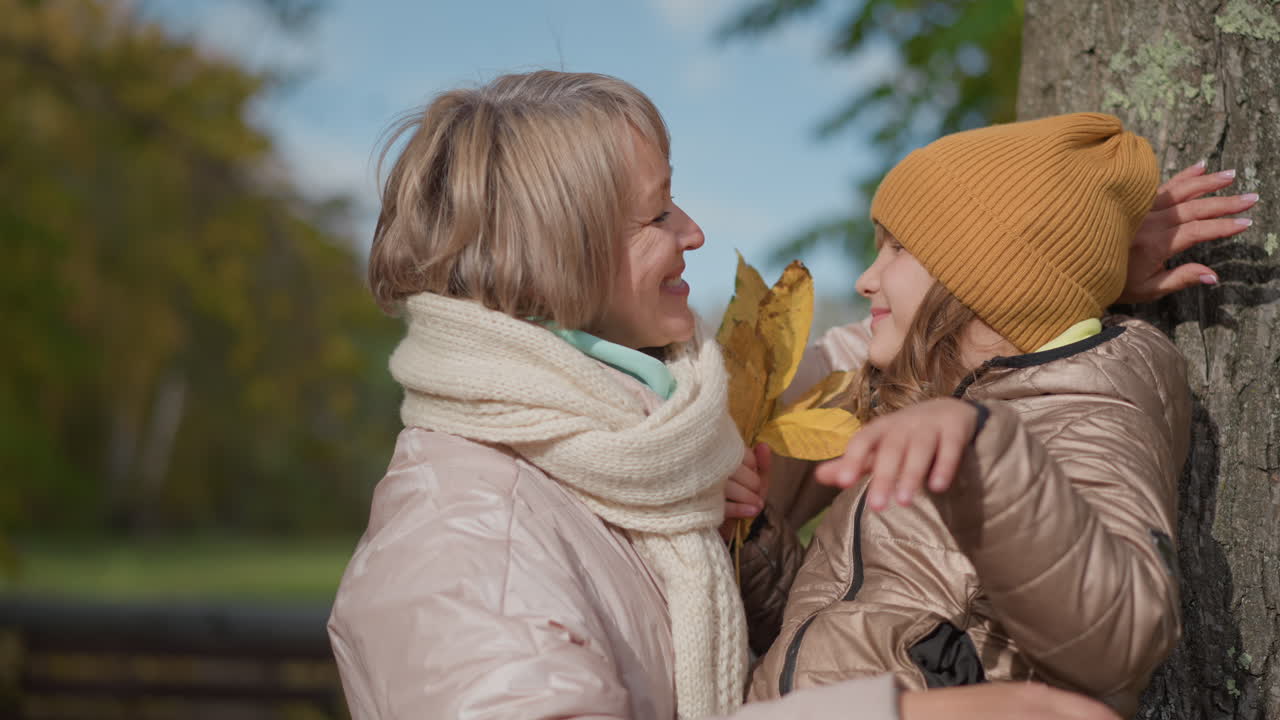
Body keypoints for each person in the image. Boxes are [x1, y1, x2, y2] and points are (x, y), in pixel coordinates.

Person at [325, 71, 1137, 720]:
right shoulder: (460, 544)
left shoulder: (660, 436)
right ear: (556, 255)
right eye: (656, 214)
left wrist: (1051, 280)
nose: (694, 232)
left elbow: (874, 367)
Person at [743, 113, 1251, 718]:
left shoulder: (1085, 399)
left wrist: (988, 454)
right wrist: (753, 540)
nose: (866, 278)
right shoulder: (939, 405)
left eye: (898, 248)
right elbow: (858, 625)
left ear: (990, 278)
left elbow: (1119, 637)